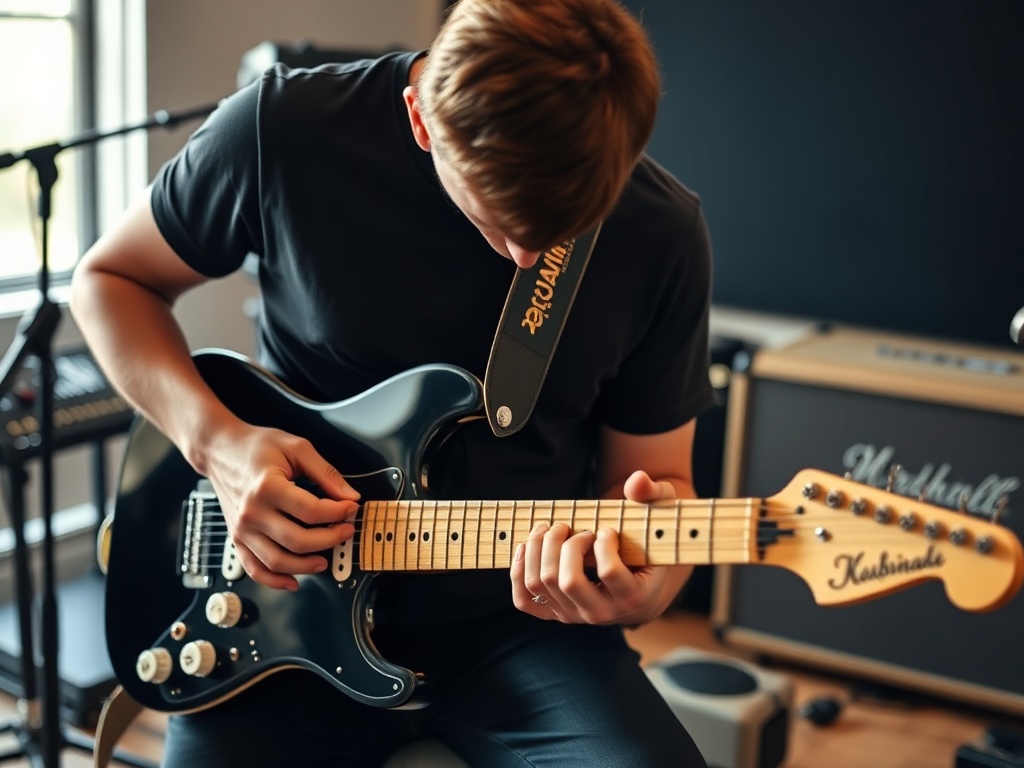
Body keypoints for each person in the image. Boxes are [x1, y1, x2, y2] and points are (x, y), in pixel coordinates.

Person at [71, 0, 715, 765]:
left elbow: (659, 482)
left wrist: (653, 581)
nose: (523, 255)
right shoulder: (285, 130)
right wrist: (219, 446)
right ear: (420, 120)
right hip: (279, 609)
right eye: (500, 218)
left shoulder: (662, 233)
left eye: (562, 225)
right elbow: (109, 280)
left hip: (520, 629)